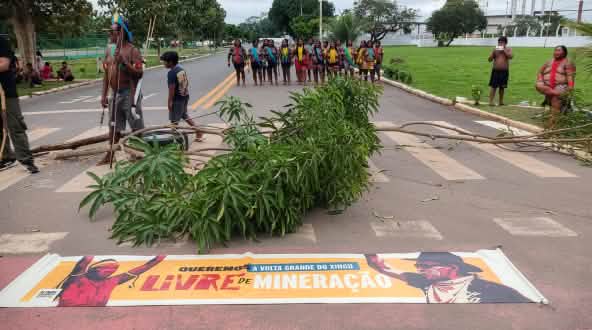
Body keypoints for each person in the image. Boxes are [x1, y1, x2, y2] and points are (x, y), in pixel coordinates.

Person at [366, 252, 532, 303]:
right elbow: (383, 267)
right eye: (418, 266)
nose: (420, 269)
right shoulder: (424, 281)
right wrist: (371, 255)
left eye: (426, 266)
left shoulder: (490, 290)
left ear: (452, 268)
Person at [98, 14, 145, 165]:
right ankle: (110, 155)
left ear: (121, 33)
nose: (110, 35)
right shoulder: (109, 51)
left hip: (129, 94)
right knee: (113, 127)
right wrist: (104, 94)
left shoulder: (133, 51)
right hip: (115, 94)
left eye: (112, 32)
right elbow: (106, 74)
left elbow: (139, 73)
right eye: (109, 32)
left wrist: (125, 63)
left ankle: (140, 155)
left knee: (136, 127)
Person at [55, 255, 165, 307]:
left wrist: (157, 260)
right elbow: (83, 263)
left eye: (108, 272)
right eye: (101, 269)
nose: (105, 272)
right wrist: (90, 256)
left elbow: (139, 270)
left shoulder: (110, 281)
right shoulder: (79, 277)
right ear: (92, 269)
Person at [0, 36, 39, 173]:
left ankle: (26, 159)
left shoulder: (1, 41)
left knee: (15, 126)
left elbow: (3, 65)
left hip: (6, 92)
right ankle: (6, 157)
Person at [161, 51, 203, 141]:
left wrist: (170, 102)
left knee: (174, 121)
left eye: (164, 61)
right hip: (184, 96)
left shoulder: (171, 73)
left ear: (170, 62)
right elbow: (185, 83)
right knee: (184, 115)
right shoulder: (180, 69)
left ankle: (174, 140)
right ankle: (198, 131)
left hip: (177, 99)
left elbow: (171, 89)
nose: (163, 63)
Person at [536, 45, 576, 128]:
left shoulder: (568, 63)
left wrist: (570, 88)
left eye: (559, 50)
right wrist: (540, 80)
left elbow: (570, 76)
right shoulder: (548, 62)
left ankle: (553, 124)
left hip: (561, 85)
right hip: (547, 86)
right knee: (538, 85)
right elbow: (540, 72)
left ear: (564, 53)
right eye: (555, 50)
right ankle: (556, 93)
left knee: (555, 99)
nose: (556, 52)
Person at [488, 36, 513, 106]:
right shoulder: (495, 49)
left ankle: (501, 101)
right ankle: (491, 101)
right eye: (499, 42)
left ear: (505, 43)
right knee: (493, 86)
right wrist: (493, 53)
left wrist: (503, 50)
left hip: (504, 71)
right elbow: (489, 59)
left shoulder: (508, 49)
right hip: (495, 70)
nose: (500, 44)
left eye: (502, 42)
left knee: (502, 87)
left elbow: (510, 57)